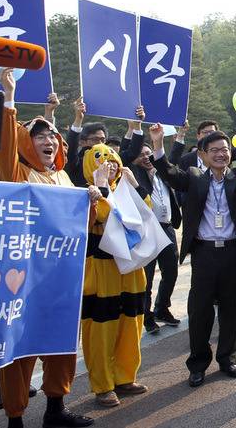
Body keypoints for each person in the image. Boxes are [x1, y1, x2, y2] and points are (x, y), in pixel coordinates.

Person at [0, 68, 95, 428]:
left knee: (60, 344)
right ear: (26, 143)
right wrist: (9, 97)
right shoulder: (17, 175)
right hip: (23, 279)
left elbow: (80, 226)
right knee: (18, 350)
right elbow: (5, 147)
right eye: (39, 136)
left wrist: (92, 199)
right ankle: (15, 418)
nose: (48, 140)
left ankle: (56, 409)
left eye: (52, 135)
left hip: (61, 279)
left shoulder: (64, 177)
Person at [148, 124, 236, 387]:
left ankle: (228, 359)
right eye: (214, 150)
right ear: (204, 154)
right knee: (199, 311)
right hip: (204, 253)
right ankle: (197, 364)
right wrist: (158, 144)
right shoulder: (195, 177)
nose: (221, 154)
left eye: (225, 149)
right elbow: (170, 174)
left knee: (231, 309)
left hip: (233, 252)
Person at [79, 145, 149, 407]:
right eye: (100, 158)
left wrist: (135, 185)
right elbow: (103, 215)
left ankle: (125, 376)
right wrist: (101, 187)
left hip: (131, 267)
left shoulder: (125, 188)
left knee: (132, 322)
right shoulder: (87, 192)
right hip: (101, 268)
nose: (108, 161)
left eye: (112, 156)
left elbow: (147, 212)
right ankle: (103, 385)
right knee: (102, 328)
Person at [128, 143, 182, 334]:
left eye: (149, 154)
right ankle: (147, 316)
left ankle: (162, 308)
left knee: (171, 271)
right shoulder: (134, 175)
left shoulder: (162, 173)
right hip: (147, 231)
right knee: (147, 277)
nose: (146, 157)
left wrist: (180, 138)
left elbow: (172, 157)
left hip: (167, 228)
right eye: (141, 155)